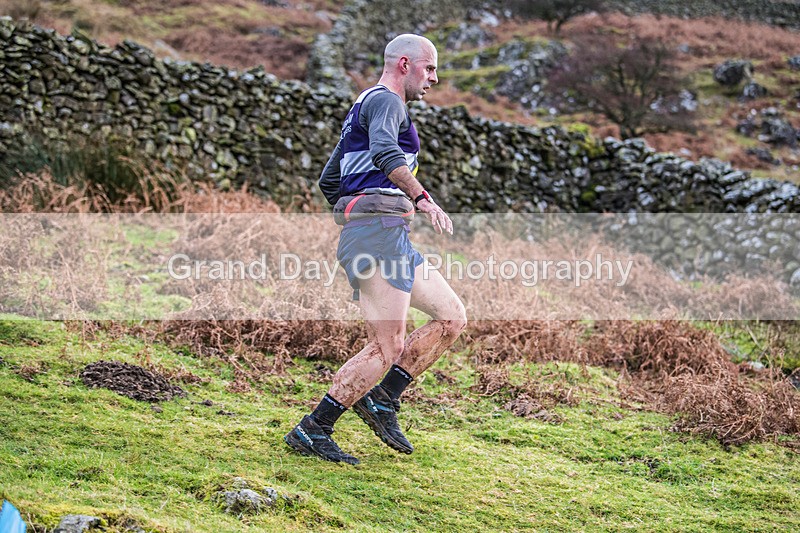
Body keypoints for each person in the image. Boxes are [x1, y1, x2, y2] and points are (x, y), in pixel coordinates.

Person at [284, 34, 467, 464]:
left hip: (386, 235)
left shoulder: (363, 105)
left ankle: (383, 400)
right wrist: (422, 199)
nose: (434, 79)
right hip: (377, 237)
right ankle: (314, 430)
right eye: (430, 69)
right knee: (387, 347)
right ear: (405, 64)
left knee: (452, 317)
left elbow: (331, 181)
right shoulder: (387, 102)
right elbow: (386, 152)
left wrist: (352, 207)